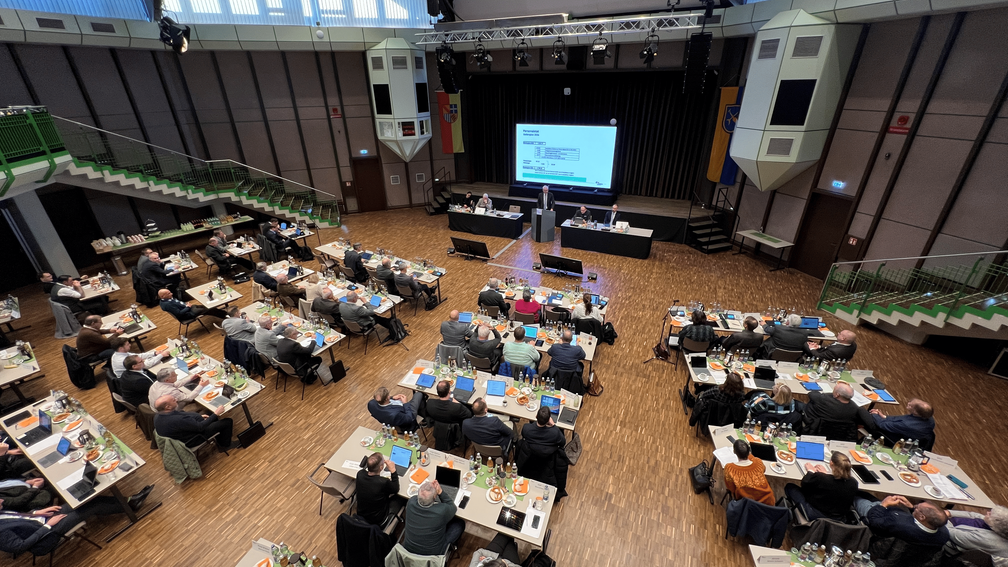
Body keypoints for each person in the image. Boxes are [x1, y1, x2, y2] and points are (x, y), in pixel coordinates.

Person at [0, 488, 153, 556]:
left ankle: (129, 501)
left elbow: (20, 517)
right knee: (93, 507)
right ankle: (130, 505)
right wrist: (48, 525)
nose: (1, 499)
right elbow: (19, 547)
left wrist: (36, 513)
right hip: (47, 534)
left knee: (86, 500)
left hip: (42, 519)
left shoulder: (2, 511)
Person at [784, 452, 858, 521]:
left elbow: (805, 484)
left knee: (790, 486)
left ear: (831, 463)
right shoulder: (854, 483)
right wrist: (825, 474)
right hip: (838, 518)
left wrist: (810, 471)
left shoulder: (822, 478)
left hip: (814, 514)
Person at [853, 494, 949, 547]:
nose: (915, 507)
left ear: (922, 517)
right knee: (867, 495)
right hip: (890, 521)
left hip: (874, 515)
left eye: (917, 508)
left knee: (855, 495)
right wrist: (911, 507)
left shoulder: (898, 523)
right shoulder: (944, 535)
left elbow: (874, 521)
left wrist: (883, 505)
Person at [402, 480, 465, 556]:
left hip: (408, 550)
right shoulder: (441, 511)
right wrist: (440, 492)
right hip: (432, 554)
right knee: (459, 524)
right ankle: (448, 549)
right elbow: (452, 507)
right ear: (435, 496)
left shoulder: (411, 502)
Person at [153, 395, 238, 451]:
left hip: (184, 434)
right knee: (227, 421)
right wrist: (216, 414)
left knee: (209, 415)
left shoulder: (158, 416)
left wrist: (199, 417)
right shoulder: (178, 420)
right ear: (168, 407)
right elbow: (200, 427)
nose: (176, 399)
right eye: (173, 400)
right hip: (194, 438)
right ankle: (225, 445)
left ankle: (220, 437)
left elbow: (183, 415)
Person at [802, 383, 873, 441]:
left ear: (837, 395)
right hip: (840, 437)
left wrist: (828, 395)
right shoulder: (855, 408)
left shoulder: (823, 400)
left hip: (817, 432)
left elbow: (811, 394)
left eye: (834, 390)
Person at [355, 452, 403, 527]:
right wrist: (393, 470)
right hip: (378, 520)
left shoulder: (360, 474)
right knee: (401, 498)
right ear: (381, 468)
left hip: (361, 515)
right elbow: (395, 489)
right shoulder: (383, 482)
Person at [723, 440, 775, 505]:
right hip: (767, 503)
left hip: (746, 504)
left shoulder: (730, 468)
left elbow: (731, 488)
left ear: (734, 452)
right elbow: (763, 470)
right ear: (749, 452)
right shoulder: (758, 462)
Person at [870, 398, 936, 449]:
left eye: (910, 405)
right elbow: (899, 419)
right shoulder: (929, 419)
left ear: (915, 412)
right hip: (900, 432)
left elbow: (882, 425)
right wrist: (884, 416)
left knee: (860, 411)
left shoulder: (907, 424)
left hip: (890, 437)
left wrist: (875, 415)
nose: (908, 403)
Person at [758, 314, 823, 357]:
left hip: (773, 354)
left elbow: (767, 329)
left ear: (788, 322)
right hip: (792, 358)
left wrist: (764, 324)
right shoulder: (804, 333)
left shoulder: (778, 328)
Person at [158, 289, 228, 321]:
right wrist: (188, 307)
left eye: (170, 292)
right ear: (162, 296)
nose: (171, 294)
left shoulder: (167, 299)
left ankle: (224, 314)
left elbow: (178, 303)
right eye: (168, 293)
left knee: (207, 306)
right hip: (188, 314)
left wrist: (186, 305)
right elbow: (179, 314)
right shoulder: (168, 305)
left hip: (188, 308)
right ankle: (226, 316)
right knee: (208, 309)